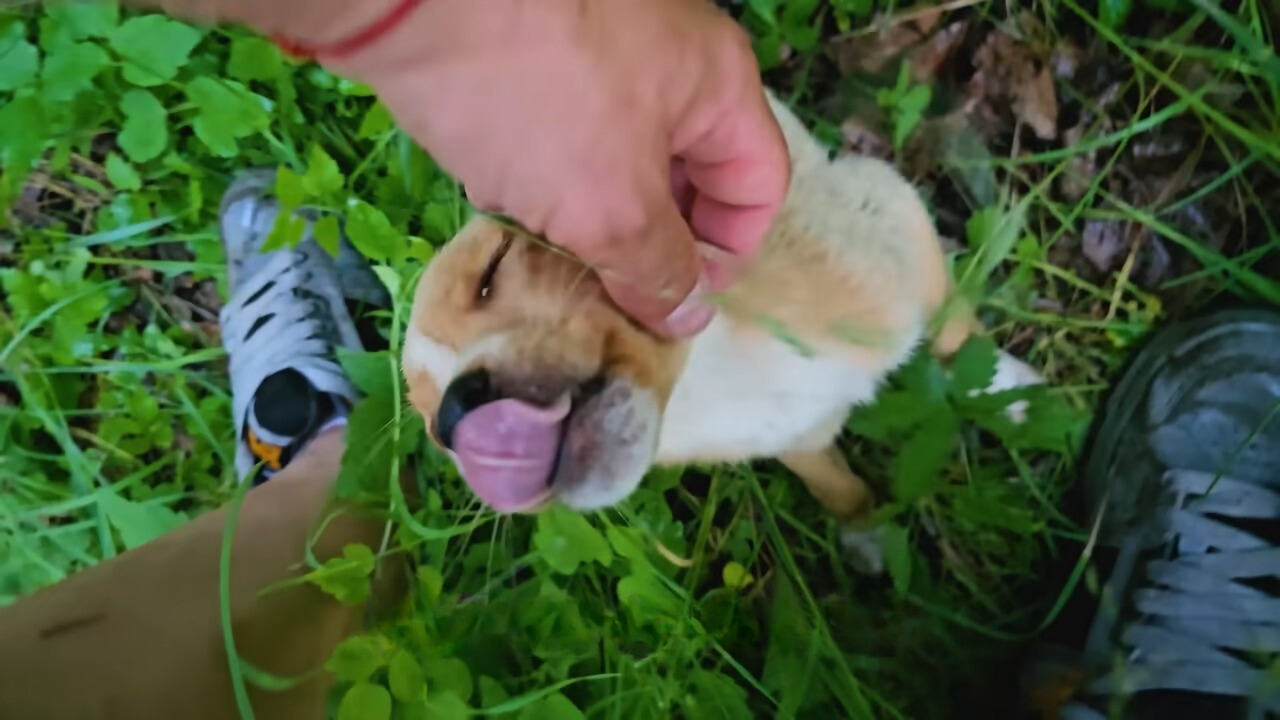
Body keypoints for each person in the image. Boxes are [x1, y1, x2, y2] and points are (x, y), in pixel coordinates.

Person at [2, 3, 1278, 720]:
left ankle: (311, 463)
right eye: (449, 411)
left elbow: (892, 257)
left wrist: (427, 23)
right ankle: (330, 463)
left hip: (809, 249)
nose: (477, 409)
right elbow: (766, 418)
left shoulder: (764, 251)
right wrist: (847, 502)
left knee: (909, 288)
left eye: (488, 280)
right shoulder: (666, 422)